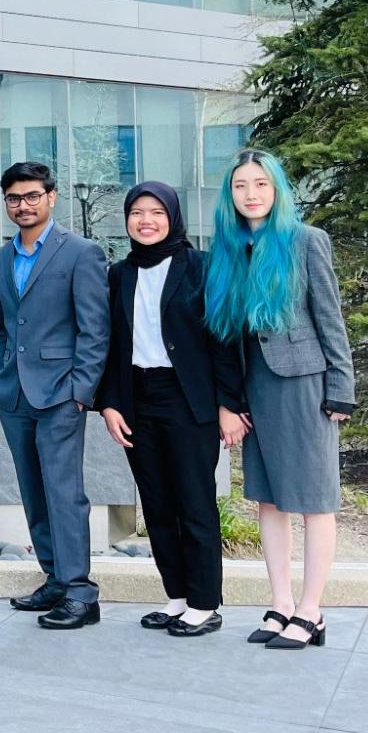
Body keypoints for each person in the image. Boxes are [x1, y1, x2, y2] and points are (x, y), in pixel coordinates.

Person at [205, 148, 355, 651]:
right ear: (230, 194)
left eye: (261, 184)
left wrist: (342, 388)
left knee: (314, 500)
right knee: (268, 500)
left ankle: (312, 611)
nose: (251, 194)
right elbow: (226, 336)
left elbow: (329, 318)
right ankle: (281, 604)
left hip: (305, 384)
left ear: (277, 190)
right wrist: (230, 400)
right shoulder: (227, 250)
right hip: (256, 389)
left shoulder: (306, 241)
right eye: (241, 186)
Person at [95, 182, 245, 637]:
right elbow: (113, 344)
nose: (146, 220)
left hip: (188, 398)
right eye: (137, 212)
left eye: (156, 211)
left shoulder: (201, 267)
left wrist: (228, 405)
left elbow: (224, 340)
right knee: (156, 504)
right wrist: (109, 404)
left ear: (173, 216)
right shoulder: (120, 274)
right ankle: (177, 597)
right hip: (137, 397)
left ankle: (205, 603)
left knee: (193, 502)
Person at [0, 160, 110, 630]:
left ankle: (81, 591)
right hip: (15, 393)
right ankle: (55, 579)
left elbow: (94, 330)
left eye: (32, 196)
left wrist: (81, 391)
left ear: (51, 197)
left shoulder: (80, 253)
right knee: (33, 490)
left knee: (64, 491)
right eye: (14, 198)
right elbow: (2, 328)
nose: (23, 205)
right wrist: (2, 370)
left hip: (61, 393)